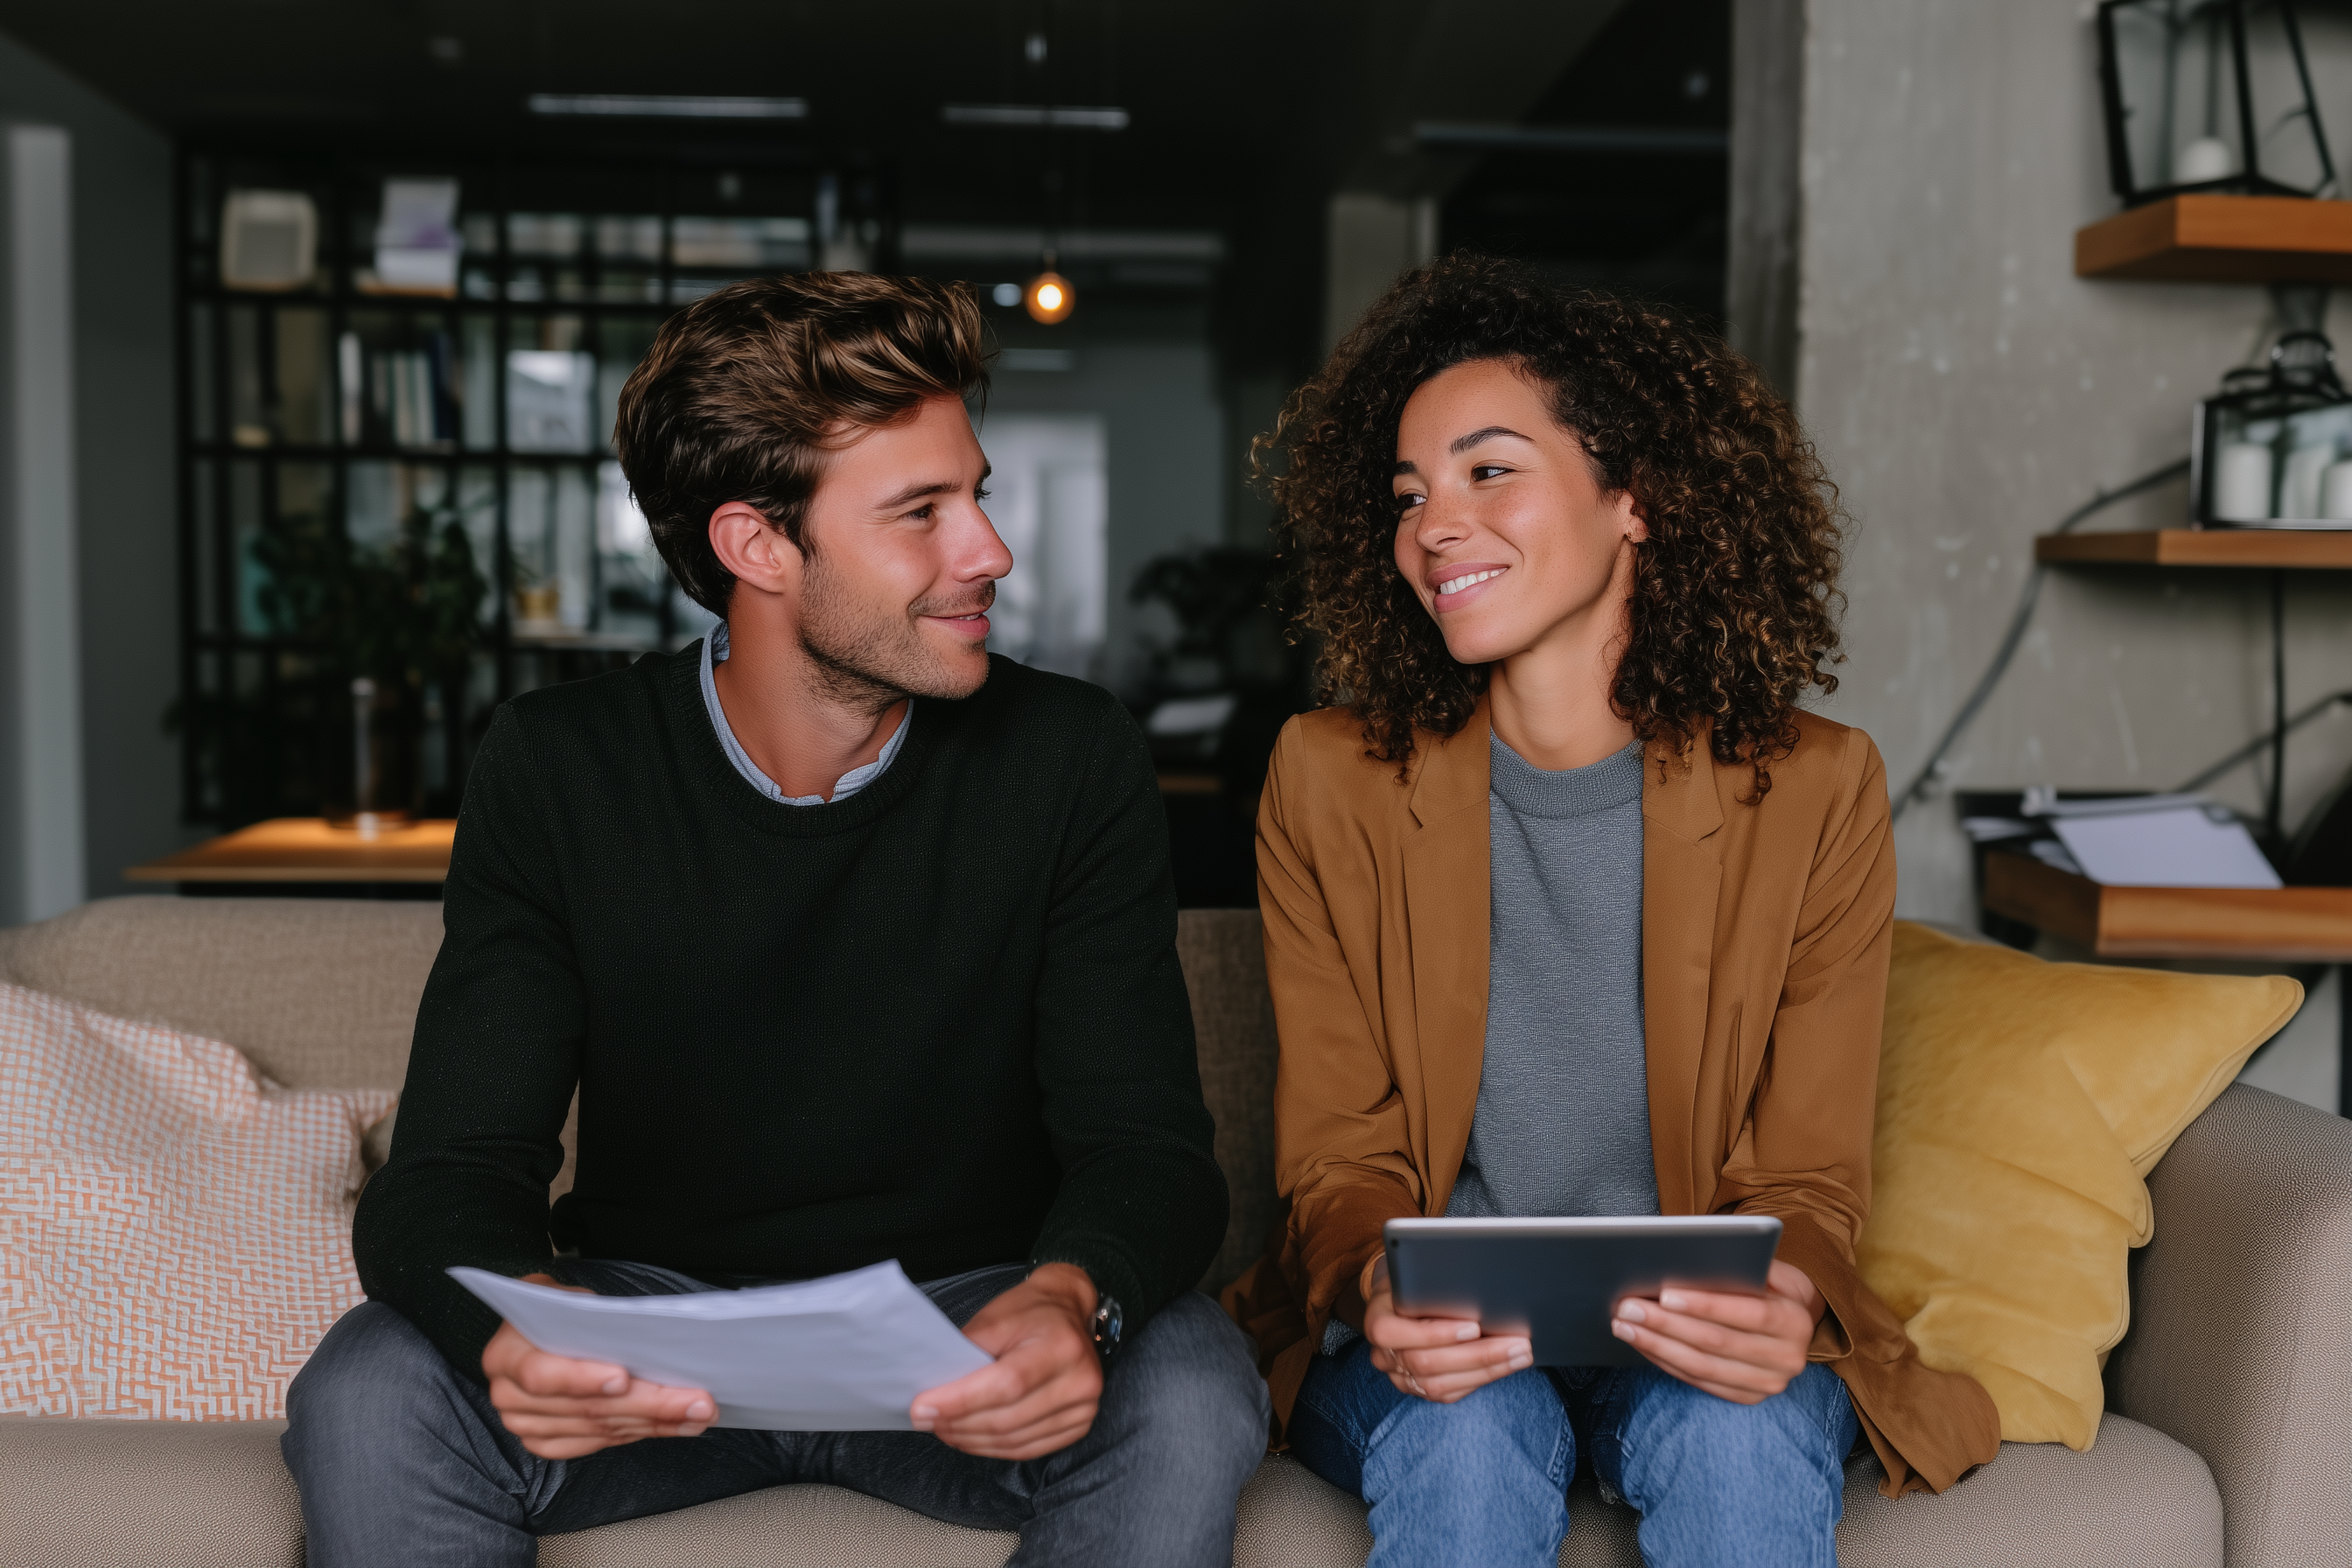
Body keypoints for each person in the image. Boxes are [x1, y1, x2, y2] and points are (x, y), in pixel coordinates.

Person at [282, 273, 1269, 1567]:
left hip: (969, 1333)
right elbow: (448, 1175)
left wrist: (1071, 1297)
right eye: (921, 512)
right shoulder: (558, 766)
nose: (988, 551)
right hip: (656, 1339)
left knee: (1191, 1380)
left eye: (974, 495)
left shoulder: (1069, 757)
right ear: (757, 547)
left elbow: (1148, 1150)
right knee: (367, 1387)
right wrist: (512, 1326)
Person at [1221, 256, 2001, 1568]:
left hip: (1688, 1336)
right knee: (1468, 1436)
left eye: (1488, 471)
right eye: (1409, 495)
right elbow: (1339, 1160)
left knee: (1738, 1435)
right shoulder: (1325, 779)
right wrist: (1377, 1284)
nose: (1434, 526)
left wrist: (1785, 1289)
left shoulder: (1816, 788)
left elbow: (1806, 1174)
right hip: (1446, 1348)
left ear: (1633, 497)